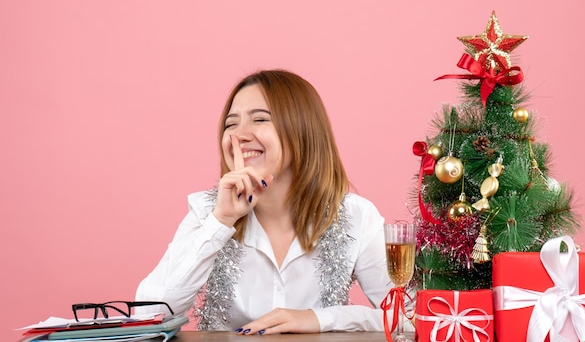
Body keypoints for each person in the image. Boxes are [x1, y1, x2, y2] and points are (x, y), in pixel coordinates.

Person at [135, 69, 393, 335]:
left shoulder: (356, 216)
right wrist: (221, 221)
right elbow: (147, 315)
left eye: (259, 119)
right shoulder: (207, 211)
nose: (239, 135)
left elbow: (409, 316)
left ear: (302, 129)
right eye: (230, 124)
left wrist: (319, 319)